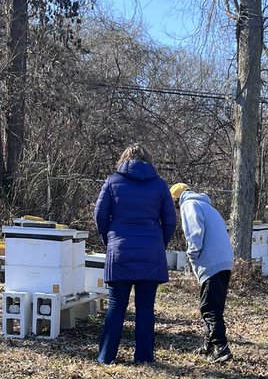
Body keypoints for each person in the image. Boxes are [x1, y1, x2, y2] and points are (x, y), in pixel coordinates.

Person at [94, 144, 176, 365]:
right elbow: (170, 221)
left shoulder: (112, 182)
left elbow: (100, 216)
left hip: (120, 251)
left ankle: (106, 356)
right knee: (145, 308)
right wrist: (158, 243)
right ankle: (144, 359)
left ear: (124, 159)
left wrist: (110, 241)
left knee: (116, 306)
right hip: (151, 252)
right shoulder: (159, 185)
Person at [170, 182, 234, 361]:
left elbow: (195, 235)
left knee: (208, 307)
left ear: (176, 201)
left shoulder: (189, 205)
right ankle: (209, 344)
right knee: (215, 306)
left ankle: (221, 347)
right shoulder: (207, 206)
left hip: (211, 262)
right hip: (224, 261)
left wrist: (192, 256)